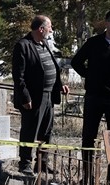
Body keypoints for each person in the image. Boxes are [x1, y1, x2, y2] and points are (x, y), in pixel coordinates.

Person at [71, 10, 110, 184]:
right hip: (94, 96)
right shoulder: (93, 43)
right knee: (88, 137)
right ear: (106, 23)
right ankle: (88, 177)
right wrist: (90, 76)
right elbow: (76, 62)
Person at [12, 14, 68, 175]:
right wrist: (25, 97)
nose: (51, 30)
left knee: (46, 131)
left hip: (49, 95)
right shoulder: (23, 46)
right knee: (30, 130)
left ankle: (42, 163)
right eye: (49, 27)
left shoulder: (43, 43)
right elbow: (18, 75)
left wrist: (59, 86)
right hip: (34, 98)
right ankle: (25, 163)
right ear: (41, 29)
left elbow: (52, 69)